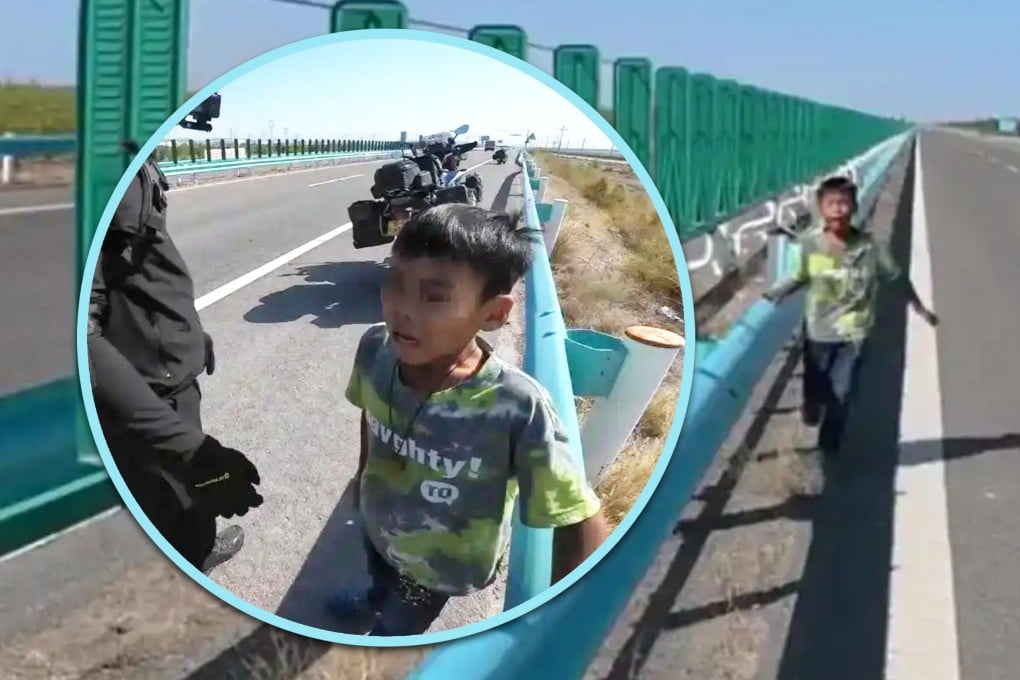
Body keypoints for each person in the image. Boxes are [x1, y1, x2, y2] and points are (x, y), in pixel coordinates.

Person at [330, 203, 609, 635]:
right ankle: (372, 600)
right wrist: (362, 475)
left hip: (440, 567)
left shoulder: (515, 405)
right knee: (379, 578)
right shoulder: (375, 350)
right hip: (379, 526)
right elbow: (369, 416)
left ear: (494, 313)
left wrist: (565, 624)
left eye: (434, 296)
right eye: (395, 282)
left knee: (399, 626)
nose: (402, 308)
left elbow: (577, 517)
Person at [87, 140, 264, 574]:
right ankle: (192, 560)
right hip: (147, 384)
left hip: (160, 362)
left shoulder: (123, 151)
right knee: (178, 492)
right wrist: (190, 450)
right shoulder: (98, 164)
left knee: (169, 492)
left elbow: (137, 272)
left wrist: (186, 331)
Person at [763, 175, 938, 456]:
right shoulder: (810, 244)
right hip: (818, 332)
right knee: (816, 390)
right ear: (821, 208)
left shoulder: (870, 248)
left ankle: (828, 448)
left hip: (854, 334)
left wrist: (919, 307)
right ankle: (811, 408)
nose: (838, 209)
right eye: (831, 203)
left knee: (841, 394)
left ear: (854, 208)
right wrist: (773, 295)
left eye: (844, 203)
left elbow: (896, 278)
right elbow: (799, 276)